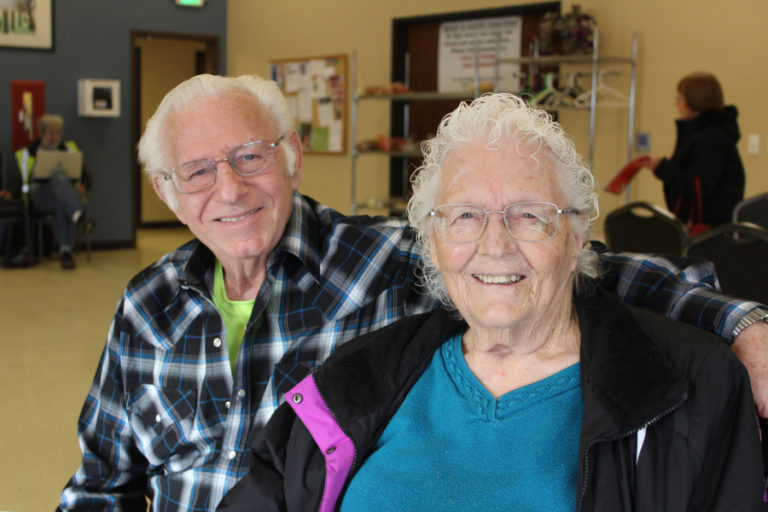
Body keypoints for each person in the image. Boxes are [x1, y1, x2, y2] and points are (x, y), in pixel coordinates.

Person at [57, 74, 768, 512]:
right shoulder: (146, 306)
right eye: (199, 171)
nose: (231, 189)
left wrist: (738, 322)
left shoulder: (379, 255)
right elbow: (98, 485)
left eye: (250, 156)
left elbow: (574, 271)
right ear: (167, 193)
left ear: (294, 156)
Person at [648, 72, 745, 228]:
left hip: (710, 231)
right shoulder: (702, 133)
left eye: (679, 98)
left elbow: (698, 186)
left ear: (695, 100)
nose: (676, 103)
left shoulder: (710, 137)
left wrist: (663, 168)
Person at [15, 114, 92, 269]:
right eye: (51, 133)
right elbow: (20, 180)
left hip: (65, 197)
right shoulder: (30, 152)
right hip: (40, 197)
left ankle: (65, 252)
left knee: (61, 199)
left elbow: (87, 177)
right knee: (58, 178)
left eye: (57, 133)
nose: (54, 136)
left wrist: (83, 184)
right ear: (42, 133)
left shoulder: (69, 149)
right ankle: (78, 217)